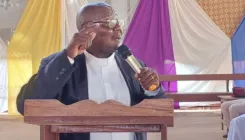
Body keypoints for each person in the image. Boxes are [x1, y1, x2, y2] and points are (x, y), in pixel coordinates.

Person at [16, 2, 166, 140]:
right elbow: (27, 105)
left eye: (118, 23)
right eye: (110, 23)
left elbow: (161, 111)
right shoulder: (60, 64)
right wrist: (67, 57)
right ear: (86, 29)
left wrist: (153, 89)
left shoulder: (133, 65)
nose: (118, 29)